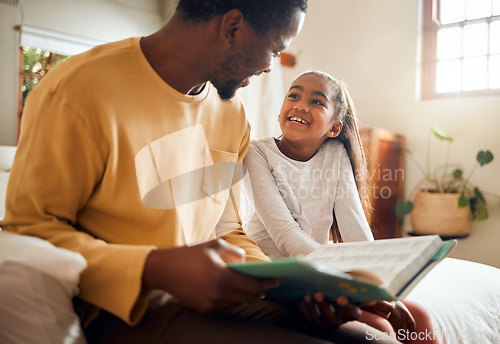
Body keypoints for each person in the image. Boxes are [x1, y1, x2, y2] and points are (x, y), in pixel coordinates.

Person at [0, 1, 404, 343]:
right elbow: (30, 232)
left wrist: (292, 287)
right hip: (124, 309)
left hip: (221, 296)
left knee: (376, 340)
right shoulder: (77, 91)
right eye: (274, 49)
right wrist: (154, 268)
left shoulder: (231, 113)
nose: (269, 69)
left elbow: (227, 229)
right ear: (233, 27)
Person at [242, 70, 440, 344]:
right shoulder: (256, 153)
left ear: (334, 128)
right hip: (280, 276)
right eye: (294, 95)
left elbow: (356, 231)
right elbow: (286, 236)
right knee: (378, 328)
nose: (300, 104)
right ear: (280, 112)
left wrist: (378, 286)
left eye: (317, 102)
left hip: (325, 273)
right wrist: (347, 281)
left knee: (419, 318)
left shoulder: (335, 155)